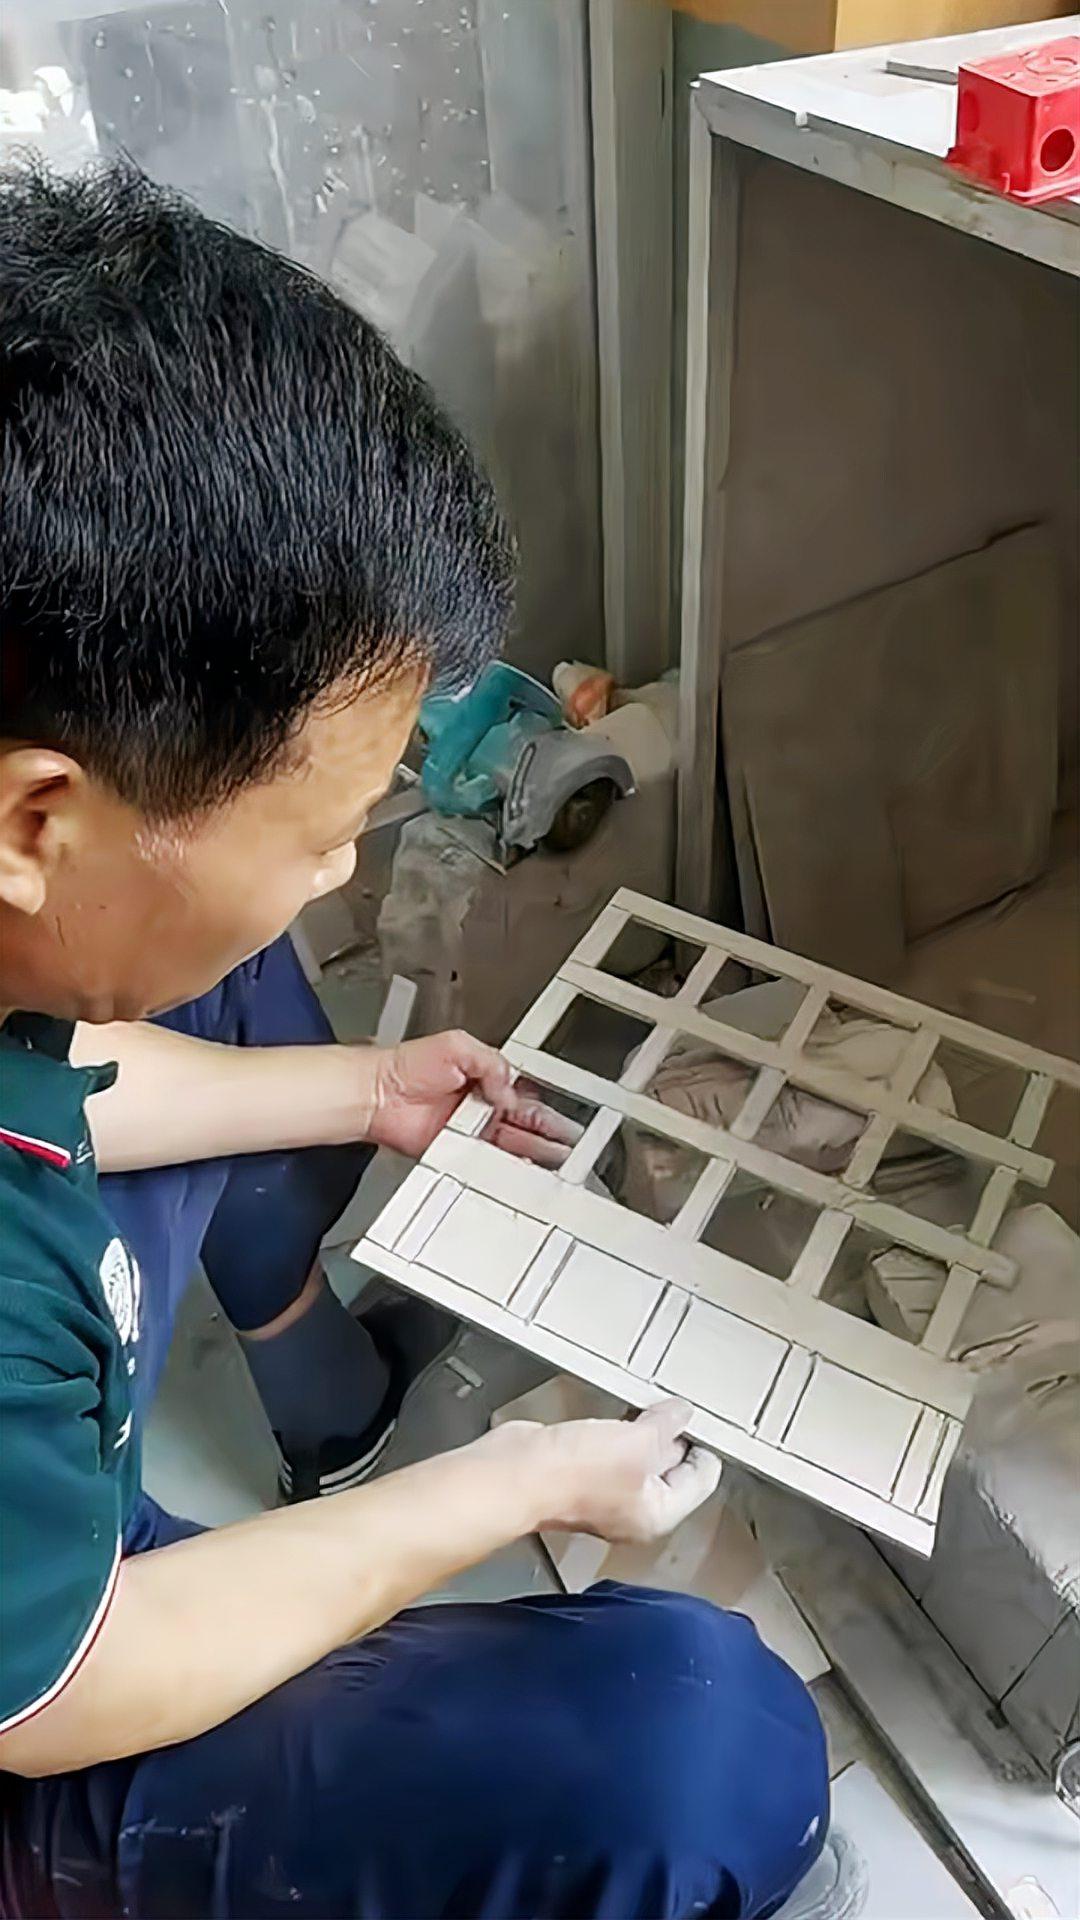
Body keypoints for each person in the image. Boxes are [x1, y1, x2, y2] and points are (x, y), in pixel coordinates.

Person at [0, 160, 828, 1919]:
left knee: (194, 965)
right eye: (324, 832)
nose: (340, 873)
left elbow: (60, 1081)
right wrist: (504, 1485)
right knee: (707, 1744)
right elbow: (58, 1690)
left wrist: (372, 1085)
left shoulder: (39, 905)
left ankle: (322, 1401)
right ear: (36, 816)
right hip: (43, 1701)